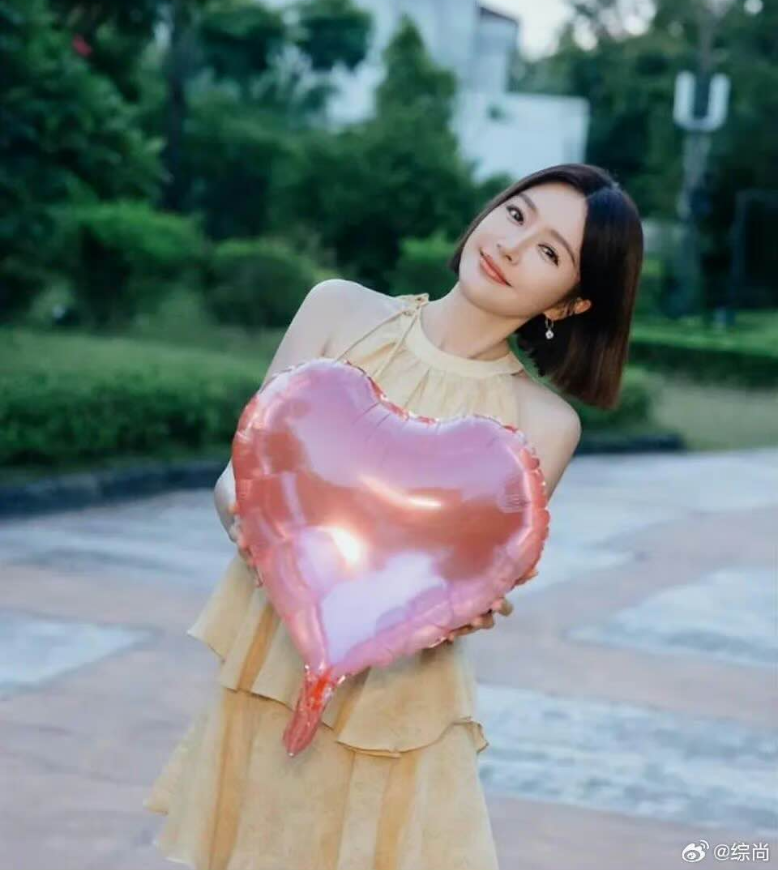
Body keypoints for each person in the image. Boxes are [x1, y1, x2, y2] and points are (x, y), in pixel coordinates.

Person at [143, 162, 644, 869]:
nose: (511, 246)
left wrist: (470, 607)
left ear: (570, 304)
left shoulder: (544, 425)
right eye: (516, 214)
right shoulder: (338, 310)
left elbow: (476, 572)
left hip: (394, 706)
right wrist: (257, 527)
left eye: (549, 251)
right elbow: (243, 468)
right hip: (273, 657)